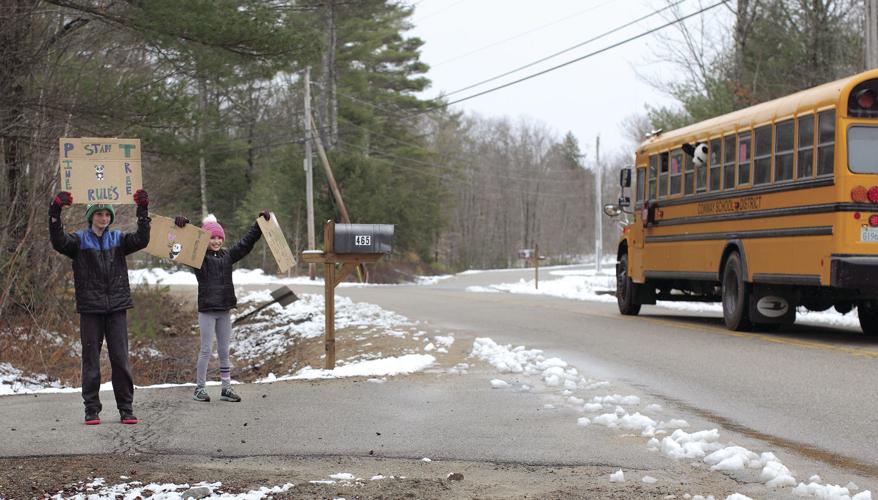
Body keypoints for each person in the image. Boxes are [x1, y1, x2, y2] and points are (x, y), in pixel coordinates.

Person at [48, 189, 150, 425]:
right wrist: (55, 210)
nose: (103, 218)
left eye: (107, 215)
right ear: (91, 216)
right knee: (91, 359)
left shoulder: (119, 240)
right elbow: (57, 240)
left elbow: (142, 239)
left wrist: (142, 210)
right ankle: (91, 409)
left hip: (116, 308)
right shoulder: (78, 241)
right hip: (90, 309)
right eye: (99, 214)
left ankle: (126, 408)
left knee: (120, 359)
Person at [174, 211, 268, 403]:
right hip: (207, 311)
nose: (216, 241)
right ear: (205, 239)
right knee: (206, 350)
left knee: (224, 351)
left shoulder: (228, 256)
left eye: (219, 237)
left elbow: (246, 243)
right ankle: (199, 388)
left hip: (224, 310)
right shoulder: (198, 258)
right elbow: (181, 250)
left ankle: (226, 388)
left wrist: (258, 226)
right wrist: (181, 229)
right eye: (212, 238)